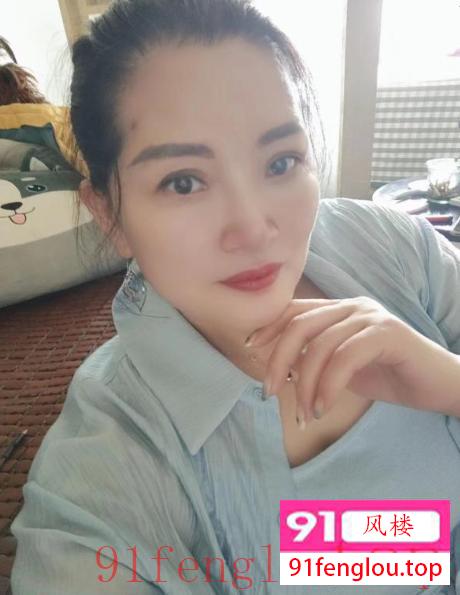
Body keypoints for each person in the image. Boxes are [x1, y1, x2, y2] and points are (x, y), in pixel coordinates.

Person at [9, 0, 460, 593]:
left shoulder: (390, 244)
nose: (253, 228)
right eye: (183, 182)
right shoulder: (107, 468)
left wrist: (448, 380)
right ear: (109, 215)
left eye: (281, 161)